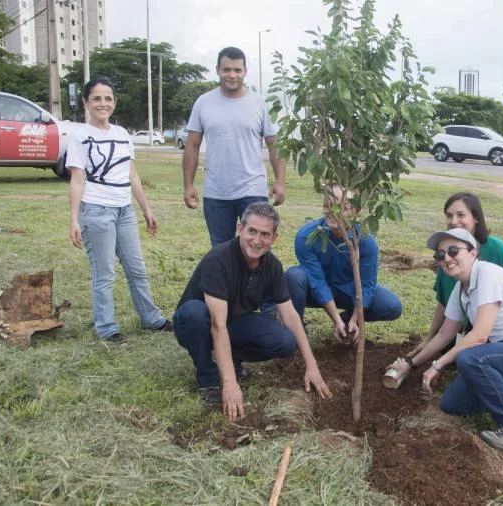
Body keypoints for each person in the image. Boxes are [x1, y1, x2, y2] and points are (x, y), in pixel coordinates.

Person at [384, 228, 503, 451]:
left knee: (470, 358)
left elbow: (480, 335)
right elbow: (444, 334)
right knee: (453, 404)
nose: (446, 258)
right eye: (440, 255)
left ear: (473, 252)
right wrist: (411, 364)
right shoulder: (460, 289)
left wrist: (438, 364)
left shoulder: (487, 274)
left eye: (454, 251)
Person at [173, 202, 331, 419]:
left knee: (285, 341)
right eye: (252, 231)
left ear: (274, 238)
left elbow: (291, 315)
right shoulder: (218, 260)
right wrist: (229, 383)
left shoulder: (272, 266)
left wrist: (312, 366)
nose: (257, 240)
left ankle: (230, 359)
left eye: (265, 234)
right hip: (198, 323)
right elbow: (217, 325)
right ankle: (208, 378)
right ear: (240, 229)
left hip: (235, 322)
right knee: (195, 314)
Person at [67, 76, 172, 344]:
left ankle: (151, 319)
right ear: (86, 103)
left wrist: (146, 209)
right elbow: (77, 179)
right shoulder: (79, 135)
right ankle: (107, 327)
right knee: (104, 273)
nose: (103, 104)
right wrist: (74, 220)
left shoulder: (122, 134)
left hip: (124, 210)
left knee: (136, 268)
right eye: (97, 99)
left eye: (108, 98)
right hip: (96, 212)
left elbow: (132, 176)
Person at [182, 46, 288, 247]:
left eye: (237, 70)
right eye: (227, 69)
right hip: (216, 193)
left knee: (257, 247)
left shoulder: (259, 103)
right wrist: (188, 185)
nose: (232, 75)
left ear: (245, 71)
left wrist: (280, 181)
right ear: (217, 70)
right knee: (221, 251)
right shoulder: (203, 102)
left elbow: (275, 145)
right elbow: (192, 146)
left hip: (253, 190)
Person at [285, 186, 402, 343]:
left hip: (349, 291)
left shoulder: (366, 242)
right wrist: (335, 319)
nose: (332, 211)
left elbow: (367, 285)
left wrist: (355, 319)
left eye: (342, 206)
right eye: (328, 205)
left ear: (355, 210)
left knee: (391, 306)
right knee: (294, 277)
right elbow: (317, 282)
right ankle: (295, 332)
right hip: (312, 290)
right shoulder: (307, 236)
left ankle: (347, 323)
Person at [424, 192, 503, 344]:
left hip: (499, 333)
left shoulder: (498, 249)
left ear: (476, 218)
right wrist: (429, 338)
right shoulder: (446, 256)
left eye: (461, 215)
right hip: (462, 331)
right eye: (449, 215)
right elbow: (444, 302)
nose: (453, 221)